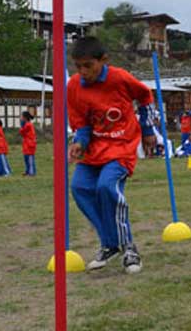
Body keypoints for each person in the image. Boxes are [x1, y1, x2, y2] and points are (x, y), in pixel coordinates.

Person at [67, 36, 155, 274]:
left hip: (121, 146)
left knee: (107, 187)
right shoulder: (74, 85)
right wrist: (79, 143)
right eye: (78, 66)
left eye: (88, 65)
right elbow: (82, 123)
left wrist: (148, 130)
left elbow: (145, 97)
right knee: (80, 188)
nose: (83, 71)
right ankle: (109, 243)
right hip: (94, 150)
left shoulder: (120, 78)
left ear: (103, 60)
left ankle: (129, 247)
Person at [19, 111, 37, 176]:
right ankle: (28, 171)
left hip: (30, 144)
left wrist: (21, 127)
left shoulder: (28, 124)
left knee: (30, 159)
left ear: (25, 118)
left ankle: (32, 172)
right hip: (27, 144)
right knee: (26, 159)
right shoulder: (26, 124)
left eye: (21, 116)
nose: (20, 118)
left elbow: (22, 132)